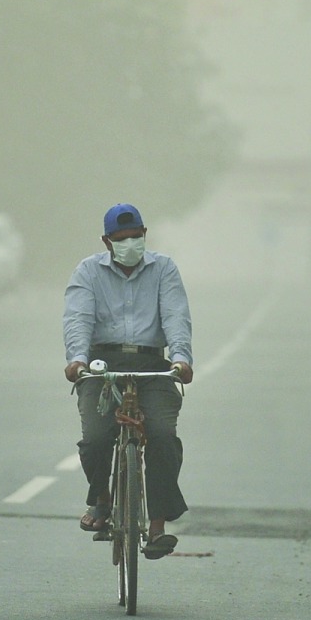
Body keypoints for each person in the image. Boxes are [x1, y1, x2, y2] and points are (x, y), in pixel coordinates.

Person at [63, 203, 193, 559]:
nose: (130, 244)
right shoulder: (88, 272)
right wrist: (76, 359)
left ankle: (157, 527)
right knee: (96, 438)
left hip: (153, 365)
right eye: (122, 239)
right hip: (101, 364)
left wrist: (181, 359)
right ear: (107, 242)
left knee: (164, 436)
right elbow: (77, 318)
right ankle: (102, 500)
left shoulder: (164, 269)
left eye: (136, 237)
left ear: (145, 234)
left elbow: (176, 315)